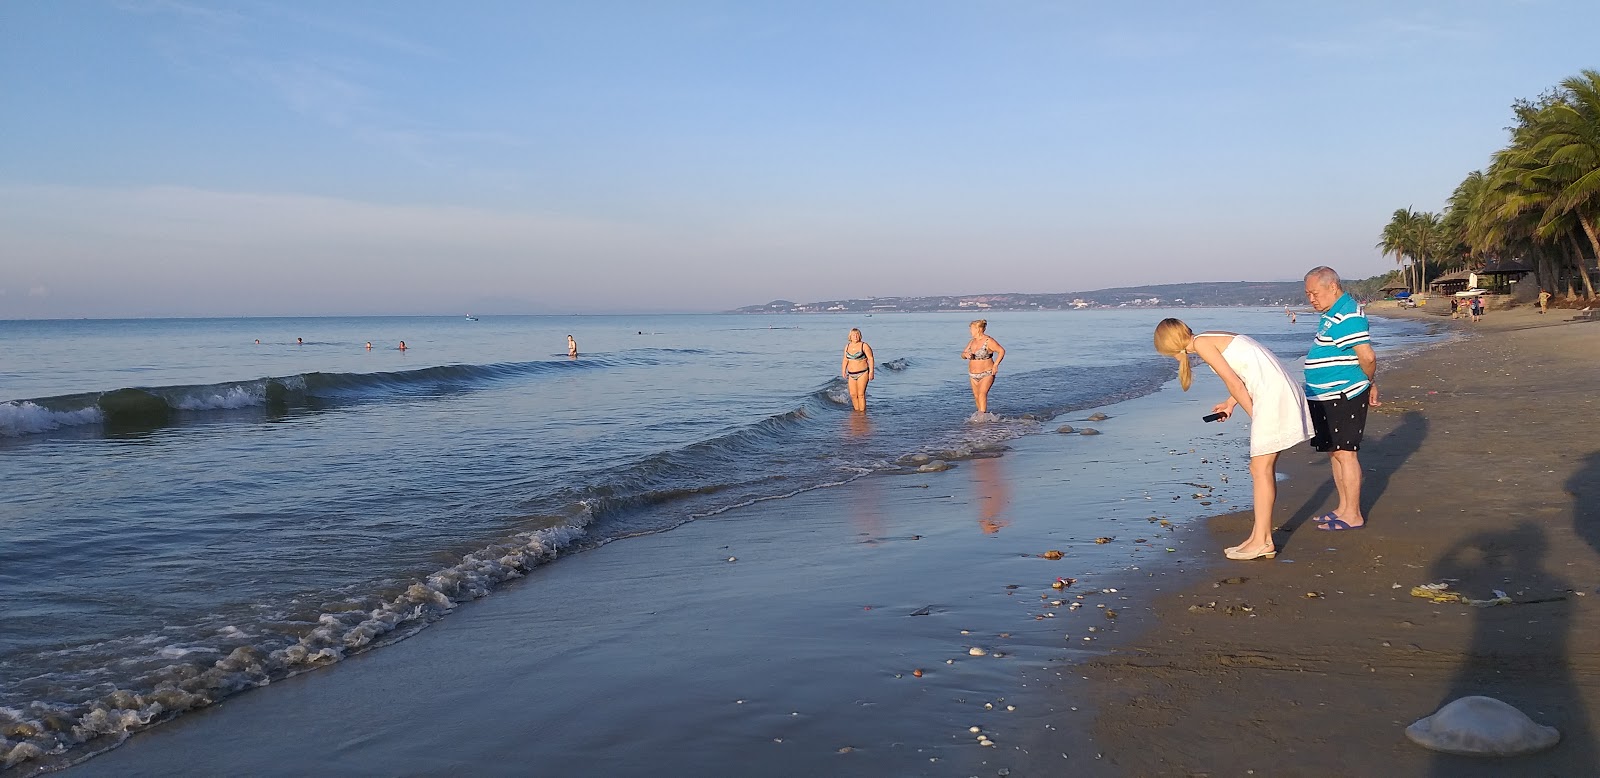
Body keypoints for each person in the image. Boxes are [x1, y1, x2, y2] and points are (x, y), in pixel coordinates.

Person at [1154, 319, 1313, 560]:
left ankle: (1263, 541)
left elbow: (1235, 382)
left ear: (1171, 345)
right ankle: (1259, 537)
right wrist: (1230, 404)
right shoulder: (1206, 338)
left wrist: (1255, 416)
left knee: (1261, 469)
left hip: (1273, 395)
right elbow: (1246, 372)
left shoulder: (1203, 345)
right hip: (1276, 390)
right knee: (1260, 467)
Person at [1302, 266, 1379, 532]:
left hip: (1343, 394)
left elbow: (1367, 357)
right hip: (1326, 395)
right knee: (1335, 452)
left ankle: (1353, 514)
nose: (1311, 298)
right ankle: (1343, 508)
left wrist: (1368, 383)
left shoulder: (1347, 315)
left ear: (1332, 287)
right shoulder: (1332, 314)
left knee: (1346, 453)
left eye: (1314, 293)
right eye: (1307, 294)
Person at [961, 320, 1005, 417]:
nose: (970, 331)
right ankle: (981, 416)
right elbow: (962, 355)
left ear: (978, 329)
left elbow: (1001, 351)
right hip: (973, 374)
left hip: (987, 372)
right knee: (976, 396)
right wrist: (965, 355)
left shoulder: (988, 341)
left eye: (971, 329)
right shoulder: (972, 341)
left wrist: (996, 365)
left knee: (982, 394)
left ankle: (982, 418)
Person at [840, 327, 875, 412]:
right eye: (853, 335)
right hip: (851, 374)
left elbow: (870, 358)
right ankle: (857, 412)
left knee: (861, 394)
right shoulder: (847, 346)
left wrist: (871, 372)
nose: (855, 336)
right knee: (853, 394)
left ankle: (862, 414)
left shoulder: (864, 345)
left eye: (857, 335)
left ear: (860, 336)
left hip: (863, 373)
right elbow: (845, 359)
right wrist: (843, 370)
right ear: (850, 336)